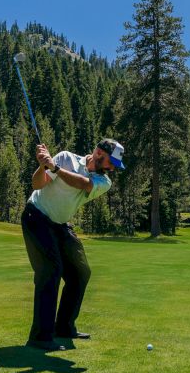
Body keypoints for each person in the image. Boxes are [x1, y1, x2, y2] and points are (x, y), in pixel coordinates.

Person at [21, 138, 125, 351]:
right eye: (110, 163)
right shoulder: (66, 157)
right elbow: (37, 184)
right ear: (98, 153)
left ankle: (64, 327)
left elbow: (83, 184)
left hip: (60, 224)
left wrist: (55, 168)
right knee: (51, 270)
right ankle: (40, 337)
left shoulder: (103, 182)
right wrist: (43, 166)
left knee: (80, 272)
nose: (112, 168)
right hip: (37, 217)